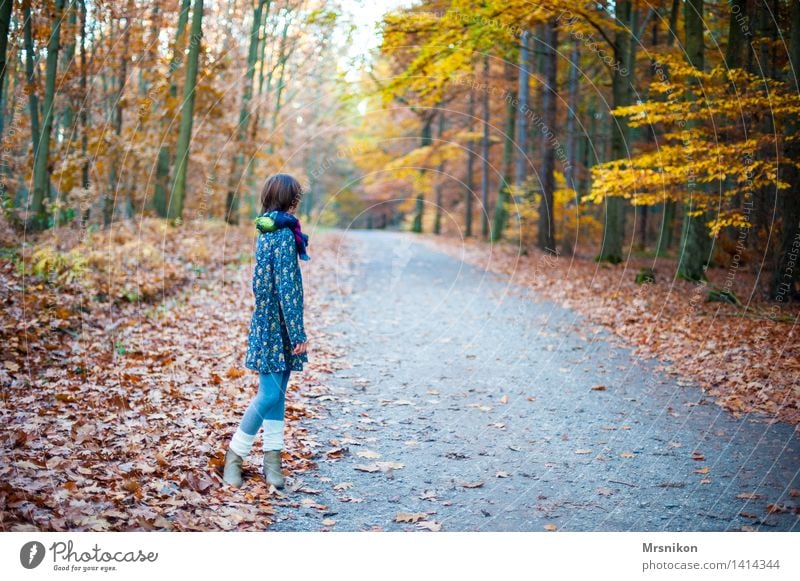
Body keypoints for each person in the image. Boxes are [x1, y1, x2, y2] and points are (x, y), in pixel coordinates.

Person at [223, 173, 310, 489]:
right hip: (277, 328)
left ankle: (272, 463)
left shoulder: (266, 229)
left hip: (270, 322)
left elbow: (260, 283)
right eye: (296, 198)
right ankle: (234, 455)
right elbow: (286, 288)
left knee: (278, 396)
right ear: (290, 200)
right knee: (269, 394)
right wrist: (297, 332)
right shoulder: (285, 235)